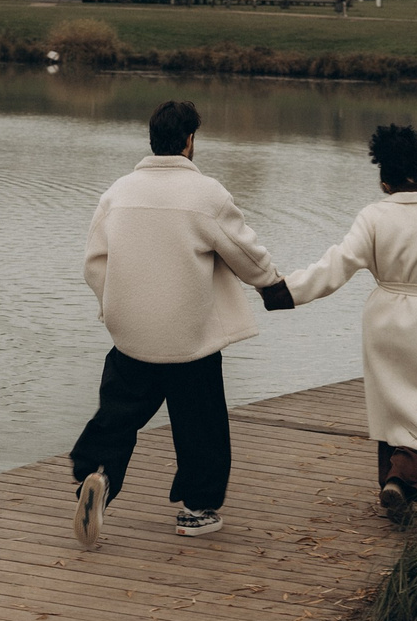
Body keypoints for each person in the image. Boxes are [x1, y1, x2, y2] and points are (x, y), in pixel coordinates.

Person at [69, 99, 287, 547]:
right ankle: (196, 510)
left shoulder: (118, 193)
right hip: (190, 336)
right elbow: (243, 251)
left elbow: (94, 264)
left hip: (132, 333)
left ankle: (99, 475)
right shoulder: (205, 193)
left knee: (119, 412)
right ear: (189, 141)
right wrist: (272, 285)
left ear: (152, 140)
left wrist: (114, 309)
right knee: (200, 420)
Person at [269, 123, 417, 522]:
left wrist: (284, 291)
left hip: (383, 315)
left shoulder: (373, 216)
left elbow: (338, 264)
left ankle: (392, 484)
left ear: (384, 180)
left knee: (390, 401)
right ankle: (402, 481)